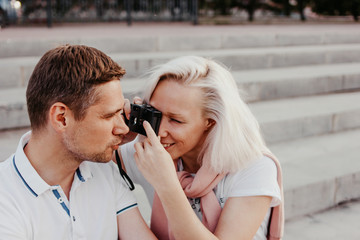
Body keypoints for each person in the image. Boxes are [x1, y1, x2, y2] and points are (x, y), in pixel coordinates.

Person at [0, 45, 156, 240]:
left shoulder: (104, 171)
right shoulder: (5, 196)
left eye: (120, 113)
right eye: (109, 116)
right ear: (61, 118)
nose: (124, 129)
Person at [120, 56, 284, 240]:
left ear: (211, 122)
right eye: (155, 114)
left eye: (176, 120)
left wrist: (166, 185)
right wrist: (118, 136)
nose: (160, 132)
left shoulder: (255, 167)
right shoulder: (149, 150)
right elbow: (93, 160)